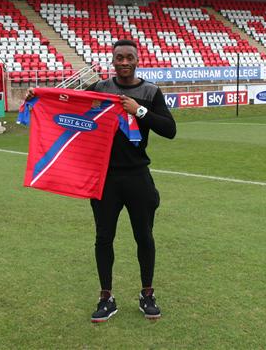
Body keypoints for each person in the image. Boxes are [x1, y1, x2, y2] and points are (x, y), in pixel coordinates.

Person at [25, 39, 176, 322]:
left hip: (137, 176)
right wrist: (38, 95)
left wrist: (138, 110)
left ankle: (147, 294)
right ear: (113, 60)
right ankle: (106, 297)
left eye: (129, 57)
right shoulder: (100, 89)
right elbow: (67, 103)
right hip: (103, 178)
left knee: (144, 236)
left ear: (137, 59)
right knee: (103, 238)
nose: (123, 62)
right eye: (119, 58)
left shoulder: (150, 92)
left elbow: (170, 129)